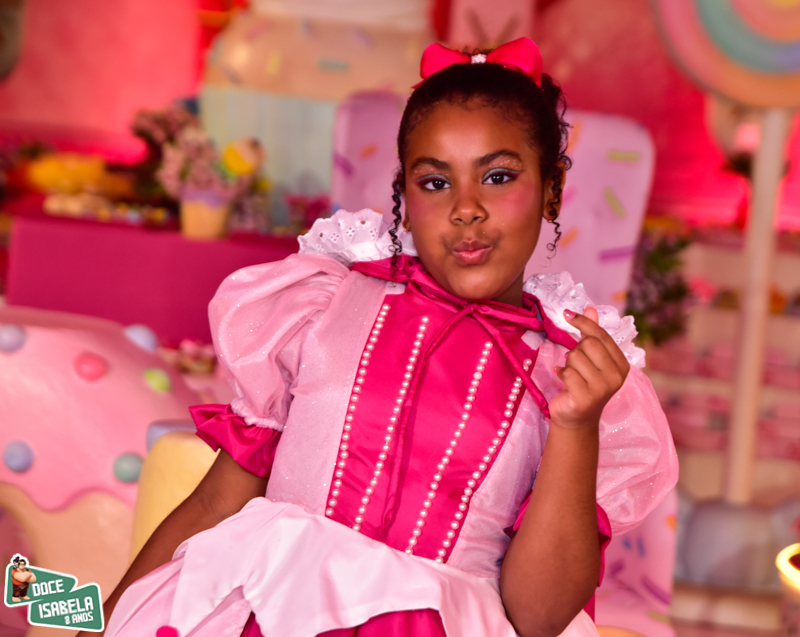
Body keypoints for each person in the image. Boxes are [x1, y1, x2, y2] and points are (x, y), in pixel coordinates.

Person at [98, 37, 677, 637]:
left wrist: (576, 427)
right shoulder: (323, 305)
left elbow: (537, 618)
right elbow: (215, 503)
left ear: (552, 189)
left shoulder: (570, 372)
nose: (467, 208)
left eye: (498, 176)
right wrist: (101, 622)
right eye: (435, 182)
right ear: (404, 195)